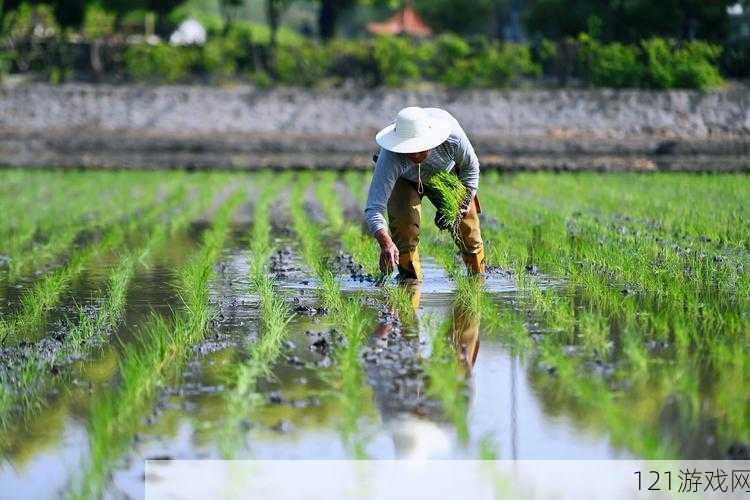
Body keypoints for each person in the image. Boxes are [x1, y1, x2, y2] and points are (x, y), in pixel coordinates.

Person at [365, 106, 485, 280]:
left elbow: (471, 169)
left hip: (445, 174)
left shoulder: (452, 138)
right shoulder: (391, 156)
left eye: (420, 148)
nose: (415, 154)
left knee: (468, 230)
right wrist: (386, 243)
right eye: (409, 149)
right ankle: (410, 283)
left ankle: (478, 278)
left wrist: (464, 204)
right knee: (404, 230)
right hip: (405, 180)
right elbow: (373, 208)